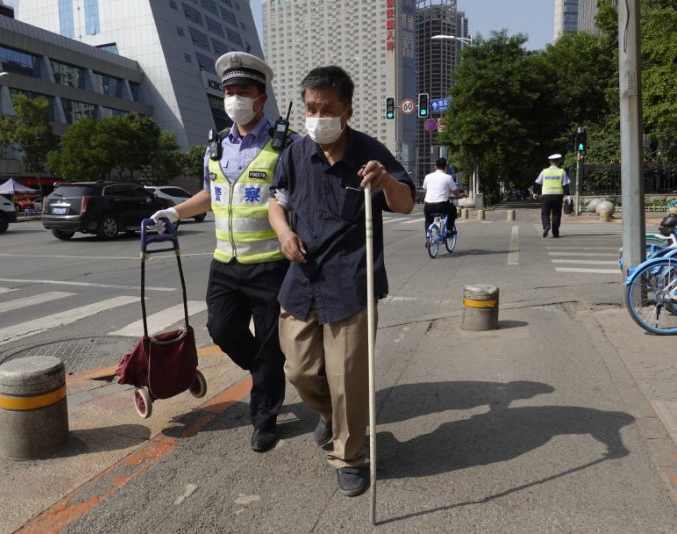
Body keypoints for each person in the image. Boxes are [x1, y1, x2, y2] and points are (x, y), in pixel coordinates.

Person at [268, 66, 414, 496]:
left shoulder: (369, 153)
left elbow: (405, 204)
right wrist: (283, 232)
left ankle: (349, 455)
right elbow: (277, 204)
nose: (316, 116)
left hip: (352, 281)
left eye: (326, 108)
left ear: (346, 110)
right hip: (302, 277)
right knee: (298, 369)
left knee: (348, 376)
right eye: (310, 107)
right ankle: (332, 416)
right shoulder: (295, 153)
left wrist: (386, 181)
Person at [151, 51, 297, 453]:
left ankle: (264, 418)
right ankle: (268, 373)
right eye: (229, 91)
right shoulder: (215, 144)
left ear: (261, 98)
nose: (235, 98)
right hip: (225, 265)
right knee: (223, 330)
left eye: (243, 91)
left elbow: (298, 198)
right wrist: (174, 211)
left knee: (269, 346)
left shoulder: (286, 144)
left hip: (270, 265)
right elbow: (210, 195)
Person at [422, 157, 461, 240]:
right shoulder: (448, 177)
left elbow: (425, 190)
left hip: (428, 205)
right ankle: (449, 230)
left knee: (428, 221)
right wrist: (457, 195)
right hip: (442, 205)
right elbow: (455, 191)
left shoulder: (427, 177)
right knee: (453, 210)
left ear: (435, 166)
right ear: (445, 167)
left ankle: (428, 239)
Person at [534, 153, 571, 238]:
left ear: (550, 162)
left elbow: (537, 183)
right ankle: (555, 232)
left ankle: (546, 225)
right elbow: (565, 185)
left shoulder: (544, 171)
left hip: (546, 195)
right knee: (557, 214)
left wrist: (535, 193)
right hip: (558, 195)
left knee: (545, 213)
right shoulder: (562, 171)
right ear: (558, 162)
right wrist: (568, 195)